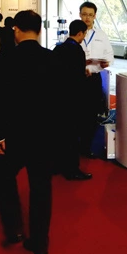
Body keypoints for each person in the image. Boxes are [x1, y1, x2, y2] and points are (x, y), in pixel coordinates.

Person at [0, 10, 55, 254]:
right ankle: (40, 241)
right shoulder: (51, 59)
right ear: (39, 30)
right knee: (41, 186)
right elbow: (59, 102)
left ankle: (14, 228)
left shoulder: (4, 59)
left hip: (13, 134)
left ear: (16, 29)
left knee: (2, 175)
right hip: (43, 135)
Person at [52, 19, 92, 181]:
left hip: (58, 97)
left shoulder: (58, 48)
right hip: (72, 99)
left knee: (59, 133)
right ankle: (71, 169)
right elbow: (77, 78)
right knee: (72, 134)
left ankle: (56, 165)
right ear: (80, 33)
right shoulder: (77, 50)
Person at [78, 1, 114, 158]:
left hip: (94, 79)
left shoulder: (101, 35)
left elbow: (110, 55)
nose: (87, 18)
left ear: (95, 16)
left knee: (92, 113)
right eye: (84, 14)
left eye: (90, 15)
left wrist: (106, 63)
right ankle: (75, 146)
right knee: (77, 113)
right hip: (77, 79)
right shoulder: (73, 34)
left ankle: (86, 147)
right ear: (80, 15)